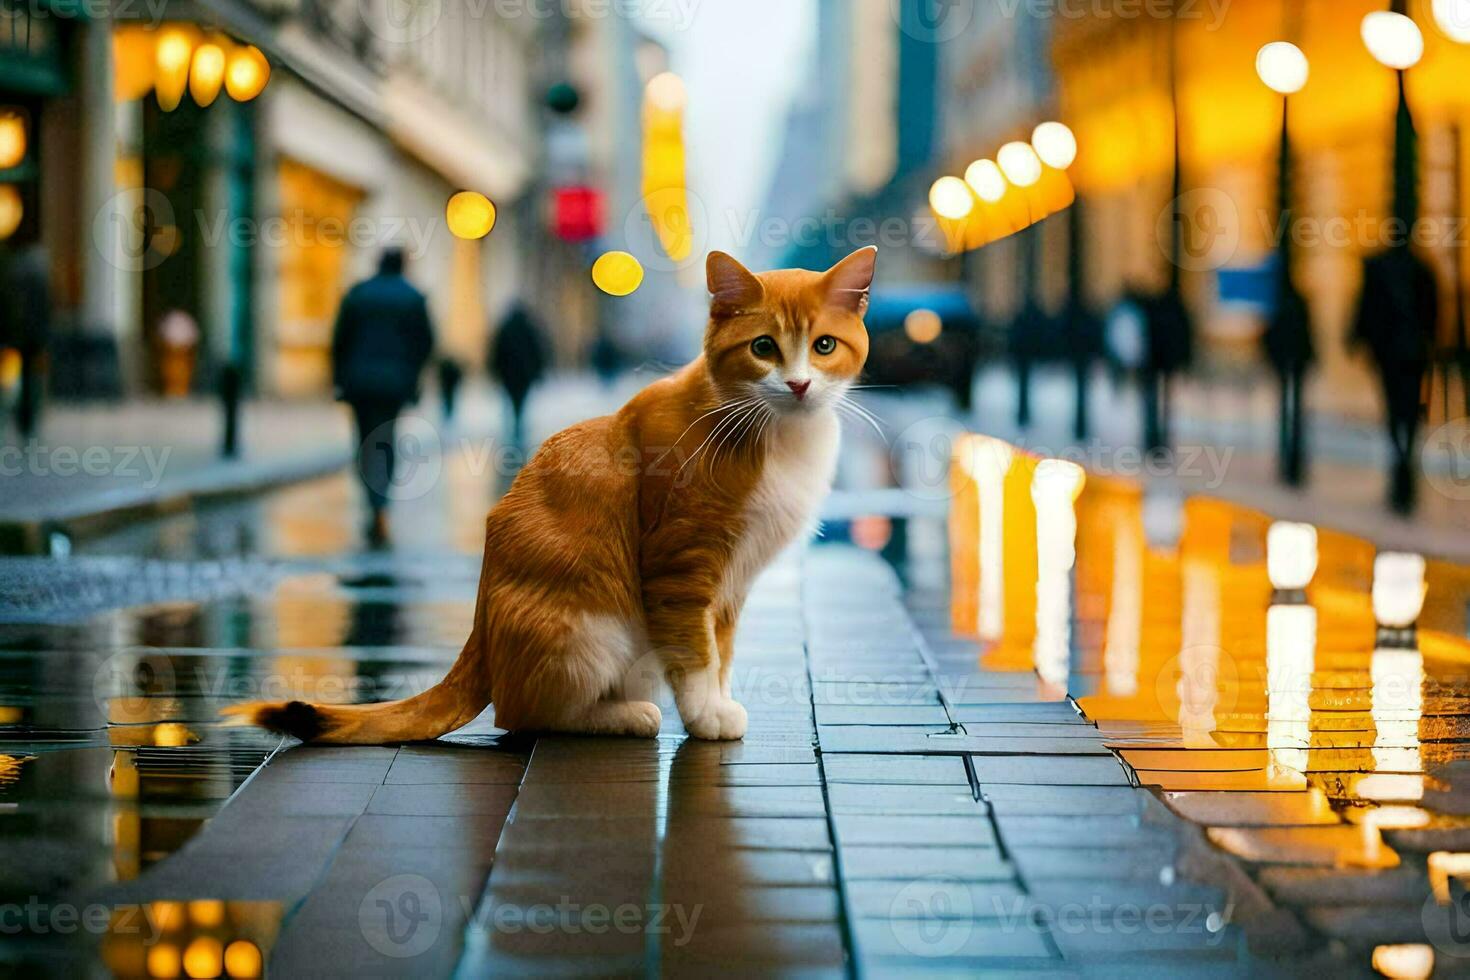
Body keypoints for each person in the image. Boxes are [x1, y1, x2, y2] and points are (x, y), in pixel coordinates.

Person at [331, 248, 434, 545]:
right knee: (385, 440)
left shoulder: (358, 294)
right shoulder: (413, 298)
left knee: (364, 442)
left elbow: (340, 340)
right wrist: (413, 378)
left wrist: (339, 379)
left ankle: (372, 501)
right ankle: (380, 504)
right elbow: (424, 343)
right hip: (393, 385)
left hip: (359, 383)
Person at [1351, 243, 1438, 514]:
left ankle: (1402, 461)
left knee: (1401, 409)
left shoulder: (1409, 266)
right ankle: (1403, 461)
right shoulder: (1415, 266)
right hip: (1403, 354)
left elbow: (1431, 312)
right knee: (1402, 409)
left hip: (1402, 354)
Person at [1262, 279, 1315, 487]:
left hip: (1291, 362)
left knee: (1291, 412)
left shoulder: (1280, 301)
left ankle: (1291, 461)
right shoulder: (1292, 301)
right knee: (1293, 412)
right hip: (1293, 362)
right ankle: (1291, 461)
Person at [2, 243, 52, 439]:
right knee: (30, 376)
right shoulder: (37, 283)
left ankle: (23, 414)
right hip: (31, 337)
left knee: (24, 376)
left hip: (20, 336)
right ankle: (26, 414)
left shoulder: (15, 280)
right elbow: (44, 313)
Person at [488, 301, 548, 448]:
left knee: (512, 400)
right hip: (524, 374)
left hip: (508, 374)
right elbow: (536, 352)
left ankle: (515, 426)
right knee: (521, 400)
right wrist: (538, 371)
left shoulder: (505, 328)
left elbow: (497, 352)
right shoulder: (529, 329)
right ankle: (518, 425)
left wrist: (495, 370)